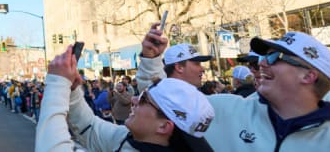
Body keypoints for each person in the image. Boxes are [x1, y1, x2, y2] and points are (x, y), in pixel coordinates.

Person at [136, 29, 330, 149]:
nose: (262, 63)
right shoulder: (226, 110)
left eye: (275, 56)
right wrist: (151, 60)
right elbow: (160, 101)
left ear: (308, 75)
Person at [36, 45, 215, 151]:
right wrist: (74, 91)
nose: (135, 100)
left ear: (164, 126)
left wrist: (57, 84)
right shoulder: (133, 138)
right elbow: (90, 128)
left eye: (144, 100)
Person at [137, 37, 211, 88]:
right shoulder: (164, 99)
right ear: (179, 67)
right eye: (197, 64)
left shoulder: (196, 98)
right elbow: (149, 82)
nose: (202, 69)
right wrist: (149, 57)